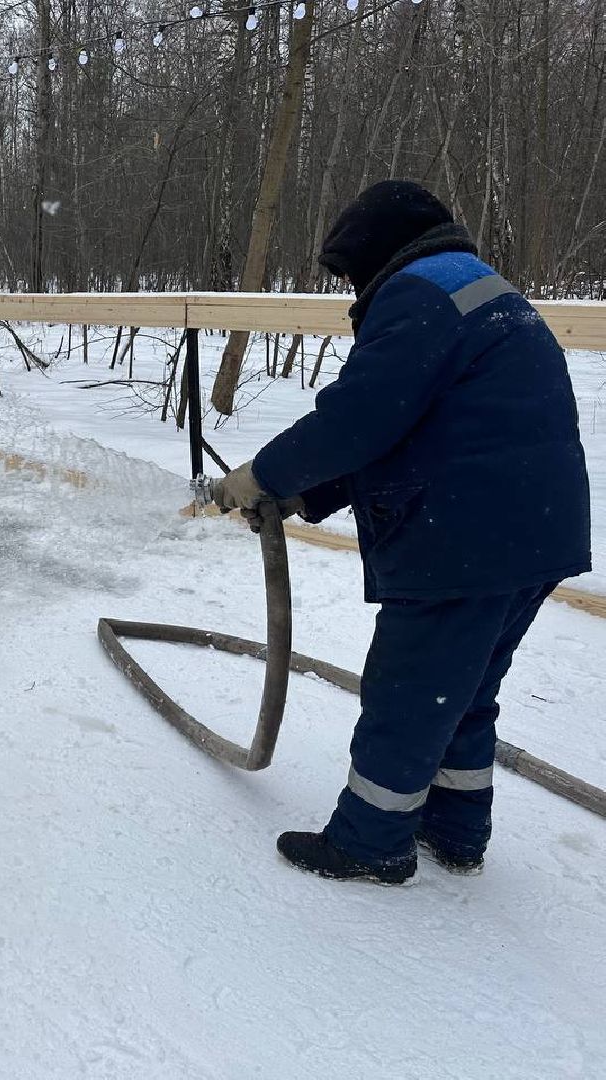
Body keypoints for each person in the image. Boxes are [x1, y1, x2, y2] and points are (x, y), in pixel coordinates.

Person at [215, 180, 592, 885]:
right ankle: (455, 830)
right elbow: (415, 427)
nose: (354, 288)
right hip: (534, 532)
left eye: (352, 272)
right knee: (464, 690)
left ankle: (370, 841)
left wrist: (263, 474)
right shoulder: (478, 288)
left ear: (376, 254)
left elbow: (360, 419)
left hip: (467, 541)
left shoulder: (420, 295)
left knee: (409, 692)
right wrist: (304, 490)